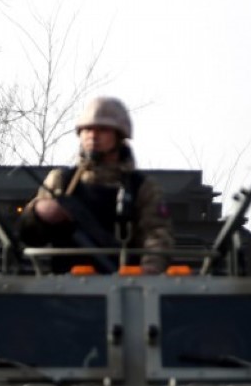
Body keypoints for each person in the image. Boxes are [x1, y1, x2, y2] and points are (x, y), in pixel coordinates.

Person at [19, 96, 173, 274]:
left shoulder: (142, 187)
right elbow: (30, 238)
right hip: (65, 287)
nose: (93, 135)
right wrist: (37, 214)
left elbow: (157, 237)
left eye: (103, 129)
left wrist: (147, 275)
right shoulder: (61, 181)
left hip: (123, 287)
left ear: (119, 136)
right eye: (87, 129)